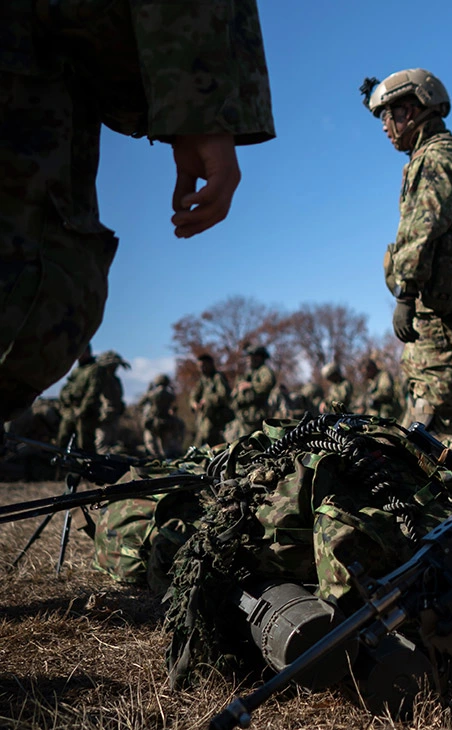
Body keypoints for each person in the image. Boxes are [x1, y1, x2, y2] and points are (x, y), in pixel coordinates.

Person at [0, 2, 274, 427]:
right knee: (37, 296)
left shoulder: (244, 379)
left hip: (37, 60)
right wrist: (199, 112)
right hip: (33, 57)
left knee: (41, 299)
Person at [362, 68, 452, 452]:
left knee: (435, 429)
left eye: (389, 115)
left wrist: (405, 294)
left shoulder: (436, 158)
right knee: (432, 419)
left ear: (414, 109)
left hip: (442, 317)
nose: (386, 127)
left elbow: (423, 229)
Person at [228, 345, 275, 441]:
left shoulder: (263, 370)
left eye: (251, 356)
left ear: (259, 357)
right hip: (243, 417)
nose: (248, 359)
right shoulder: (249, 373)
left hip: (255, 417)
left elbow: (268, 383)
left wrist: (250, 385)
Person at [56, 343, 97, 447]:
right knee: (63, 438)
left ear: (87, 352)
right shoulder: (76, 370)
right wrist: (64, 402)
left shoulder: (94, 369)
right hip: (70, 410)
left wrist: (82, 410)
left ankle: (84, 463)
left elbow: (92, 392)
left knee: (83, 443)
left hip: (85, 413)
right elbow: (66, 387)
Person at [190, 354, 232, 447]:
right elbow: (194, 395)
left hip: (216, 419)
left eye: (204, 366)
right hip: (203, 420)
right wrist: (194, 404)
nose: (202, 368)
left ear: (210, 364)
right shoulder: (202, 381)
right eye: (200, 366)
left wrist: (208, 400)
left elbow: (224, 395)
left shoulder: (217, 377)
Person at [140, 373, 184, 458]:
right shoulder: (169, 394)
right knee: (165, 445)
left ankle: (154, 456)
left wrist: (148, 391)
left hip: (153, 421)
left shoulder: (153, 393)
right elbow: (174, 405)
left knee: (150, 442)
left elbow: (141, 402)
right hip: (166, 421)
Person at [93, 350, 129, 453]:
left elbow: (118, 397)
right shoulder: (100, 380)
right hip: (103, 417)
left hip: (114, 416)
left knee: (112, 442)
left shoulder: (115, 380)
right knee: (101, 442)